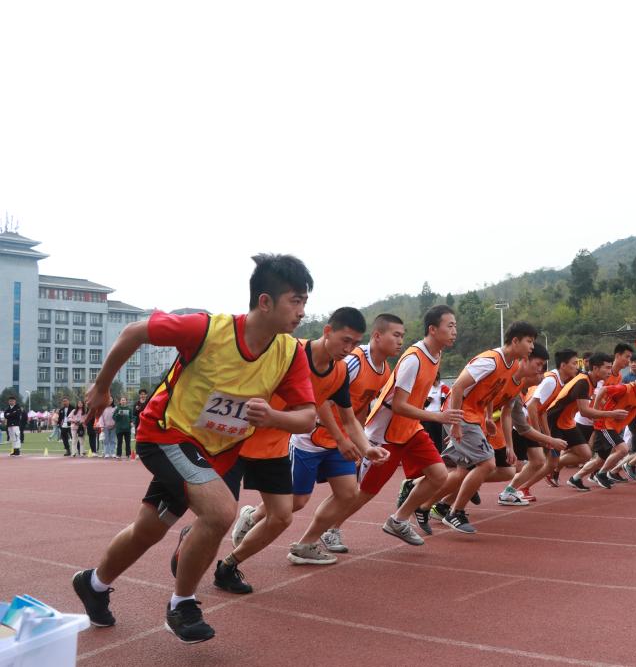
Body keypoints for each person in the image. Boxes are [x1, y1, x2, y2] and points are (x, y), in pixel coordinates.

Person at [72, 253, 317, 643]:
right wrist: (102, 387)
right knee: (220, 512)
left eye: (305, 301)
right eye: (296, 301)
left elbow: (307, 418)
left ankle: (94, 584)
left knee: (148, 530)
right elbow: (134, 331)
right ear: (265, 301)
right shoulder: (206, 329)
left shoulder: (289, 353)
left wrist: (273, 416)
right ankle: (182, 604)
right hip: (167, 434)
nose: (302, 311)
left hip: (216, 453)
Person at [215, 307, 387, 591]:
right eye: (345, 340)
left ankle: (228, 566)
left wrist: (367, 448)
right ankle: (185, 576)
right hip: (239, 438)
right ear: (327, 331)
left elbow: (348, 418)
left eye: (355, 343)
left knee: (283, 516)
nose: (349, 349)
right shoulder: (290, 351)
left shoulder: (340, 371)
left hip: (275, 446)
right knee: (216, 514)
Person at [321, 305, 461, 548]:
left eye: (455, 326)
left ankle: (398, 520)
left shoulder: (435, 355)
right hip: (387, 433)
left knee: (439, 475)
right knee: (365, 491)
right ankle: (330, 528)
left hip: (410, 428)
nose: (454, 331)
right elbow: (398, 405)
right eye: (450, 326)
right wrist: (438, 416)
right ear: (433, 329)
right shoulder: (413, 359)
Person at [421, 321, 538, 533]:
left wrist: (488, 418)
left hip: (475, 416)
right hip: (461, 413)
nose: (531, 347)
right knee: (487, 463)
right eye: (529, 341)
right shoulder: (490, 361)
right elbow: (458, 386)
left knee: (462, 473)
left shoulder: (511, 365)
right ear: (515, 341)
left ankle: (424, 506)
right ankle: (455, 512)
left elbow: (490, 392)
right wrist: (456, 424)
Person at [549, 353, 629, 492]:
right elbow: (585, 412)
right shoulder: (583, 382)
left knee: (585, 454)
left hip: (568, 421)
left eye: (610, 368)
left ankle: (555, 468)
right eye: (607, 368)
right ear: (595, 368)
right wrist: (611, 414)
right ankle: (548, 471)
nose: (609, 371)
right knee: (539, 462)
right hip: (556, 420)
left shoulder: (594, 382)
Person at [571, 364, 636, 489]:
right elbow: (603, 390)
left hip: (614, 427)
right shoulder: (625, 388)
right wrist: (595, 411)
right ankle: (601, 474)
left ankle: (575, 478)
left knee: (600, 459)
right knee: (623, 449)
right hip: (604, 424)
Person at [510, 349, 576, 495]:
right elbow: (532, 407)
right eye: (574, 363)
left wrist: (547, 436)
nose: (577, 367)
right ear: (563, 365)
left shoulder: (559, 382)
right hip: (523, 425)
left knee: (538, 461)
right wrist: (541, 436)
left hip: (527, 424)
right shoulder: (551, 381)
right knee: (512, 467)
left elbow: (542, 411)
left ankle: (513, 490)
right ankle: (509, 489)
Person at [422, 372, 450, 452]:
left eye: (433, 381)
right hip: (428, 417)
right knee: (429, 438)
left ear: (437, 379)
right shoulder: (428, 388)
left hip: (438, 417)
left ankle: (440, 454)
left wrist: (442, 398)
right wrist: (428, 400)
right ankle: (430, 453)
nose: (432, 383)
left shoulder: (444, 387)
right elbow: (424, 404)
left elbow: (446, 403)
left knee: (439, 439)